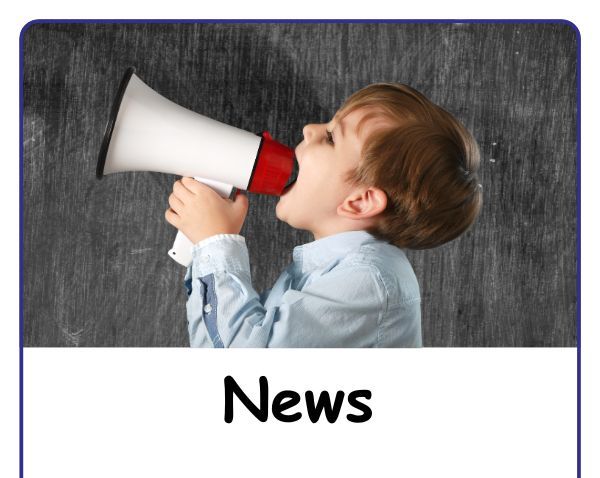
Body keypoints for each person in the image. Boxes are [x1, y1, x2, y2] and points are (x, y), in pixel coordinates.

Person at [165, 83, 483, 348]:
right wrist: (204, 246)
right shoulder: (333, 272)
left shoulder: (368, 280)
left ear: (359, 202)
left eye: (331, 137)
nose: (310, 129)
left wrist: (214, 243)